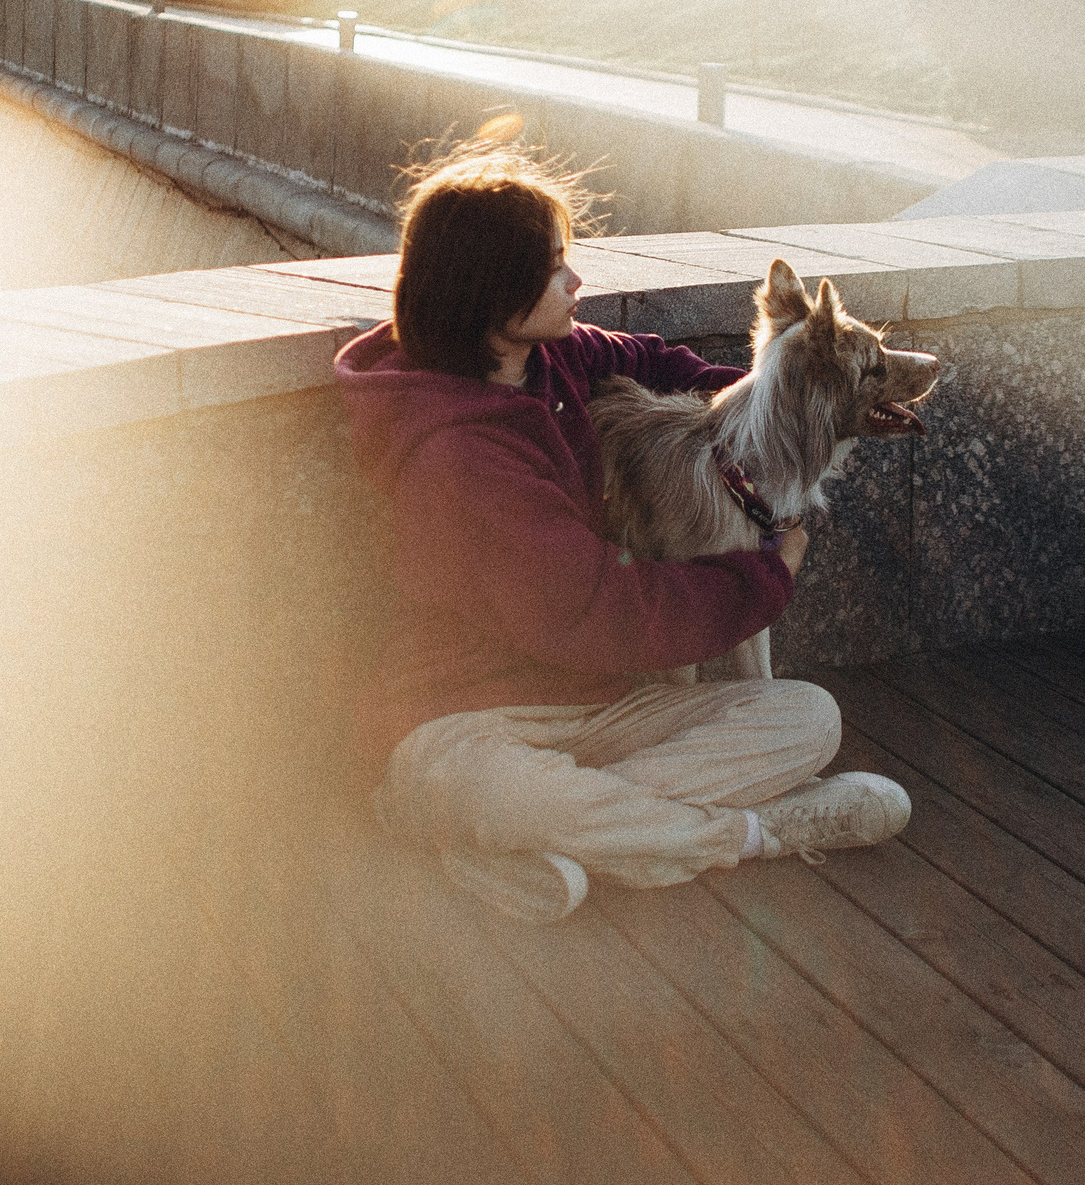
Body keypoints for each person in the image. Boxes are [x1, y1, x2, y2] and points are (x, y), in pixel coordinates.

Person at [332, 138, 911, 923]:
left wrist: (767, 422)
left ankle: (546, 847)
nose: (578, 281)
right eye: (556, 266)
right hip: (464, 722)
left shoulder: (555, 358)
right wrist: (769, 574)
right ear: (494, 295)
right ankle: (755, 832)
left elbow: (662, 362)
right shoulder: (461, 454)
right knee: (509, 794)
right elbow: (599, 613)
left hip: (599, 710)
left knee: (807, 716)